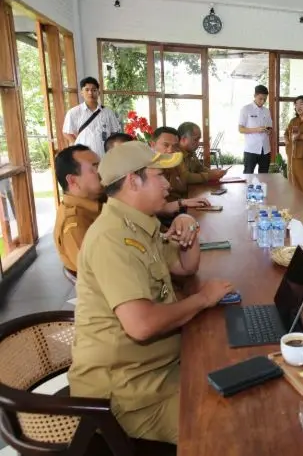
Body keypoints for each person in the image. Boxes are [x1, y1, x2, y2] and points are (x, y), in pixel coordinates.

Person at [68, 141, 234, 445]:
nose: (168, 185)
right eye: (159, 176)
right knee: (229, 431)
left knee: (239, 383)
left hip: (158, 370)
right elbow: (141, 325)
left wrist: (189, 226)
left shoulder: (138, 223)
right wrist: (202, 299)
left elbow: (185, 267)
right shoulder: (111, 238)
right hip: (129, 395)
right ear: (133, 181)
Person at [53, 145, 103, 274]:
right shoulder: (75, 223)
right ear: (73, 180)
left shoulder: (99, 200)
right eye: (96, 167)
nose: (103, 171)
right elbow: (99, 273)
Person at [149, 127, 210, 219]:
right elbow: (154, 209)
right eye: (166, 145)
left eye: (174, 146)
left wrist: (185, 201)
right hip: (165, 220)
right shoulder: (146, 170)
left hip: (181, 209)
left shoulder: (175, 163)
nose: (170, 150)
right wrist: (182, 203)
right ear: (152, 145)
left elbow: (183, 185)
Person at [63, 77, 121, 157]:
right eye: (87, 90)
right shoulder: (73, 112)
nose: (90, 93)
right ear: (81, 92)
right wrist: (78, 145)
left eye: (94, 90)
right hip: (84, 157)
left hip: (105, 156)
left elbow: (115, 132)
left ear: (98, 92)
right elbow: (66, 132)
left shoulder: (108, 112)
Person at [239, 85, 273, 173]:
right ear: (255, 96)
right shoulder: (246, 109)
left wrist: (269, 131)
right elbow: (241, 129)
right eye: (260, 99)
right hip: (251, 149)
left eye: (265, 99)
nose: (263, 101)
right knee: (248, 176)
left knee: (264, 177)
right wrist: (256, 129)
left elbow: (270, 127)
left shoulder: (266, 111)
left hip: (265, 150)